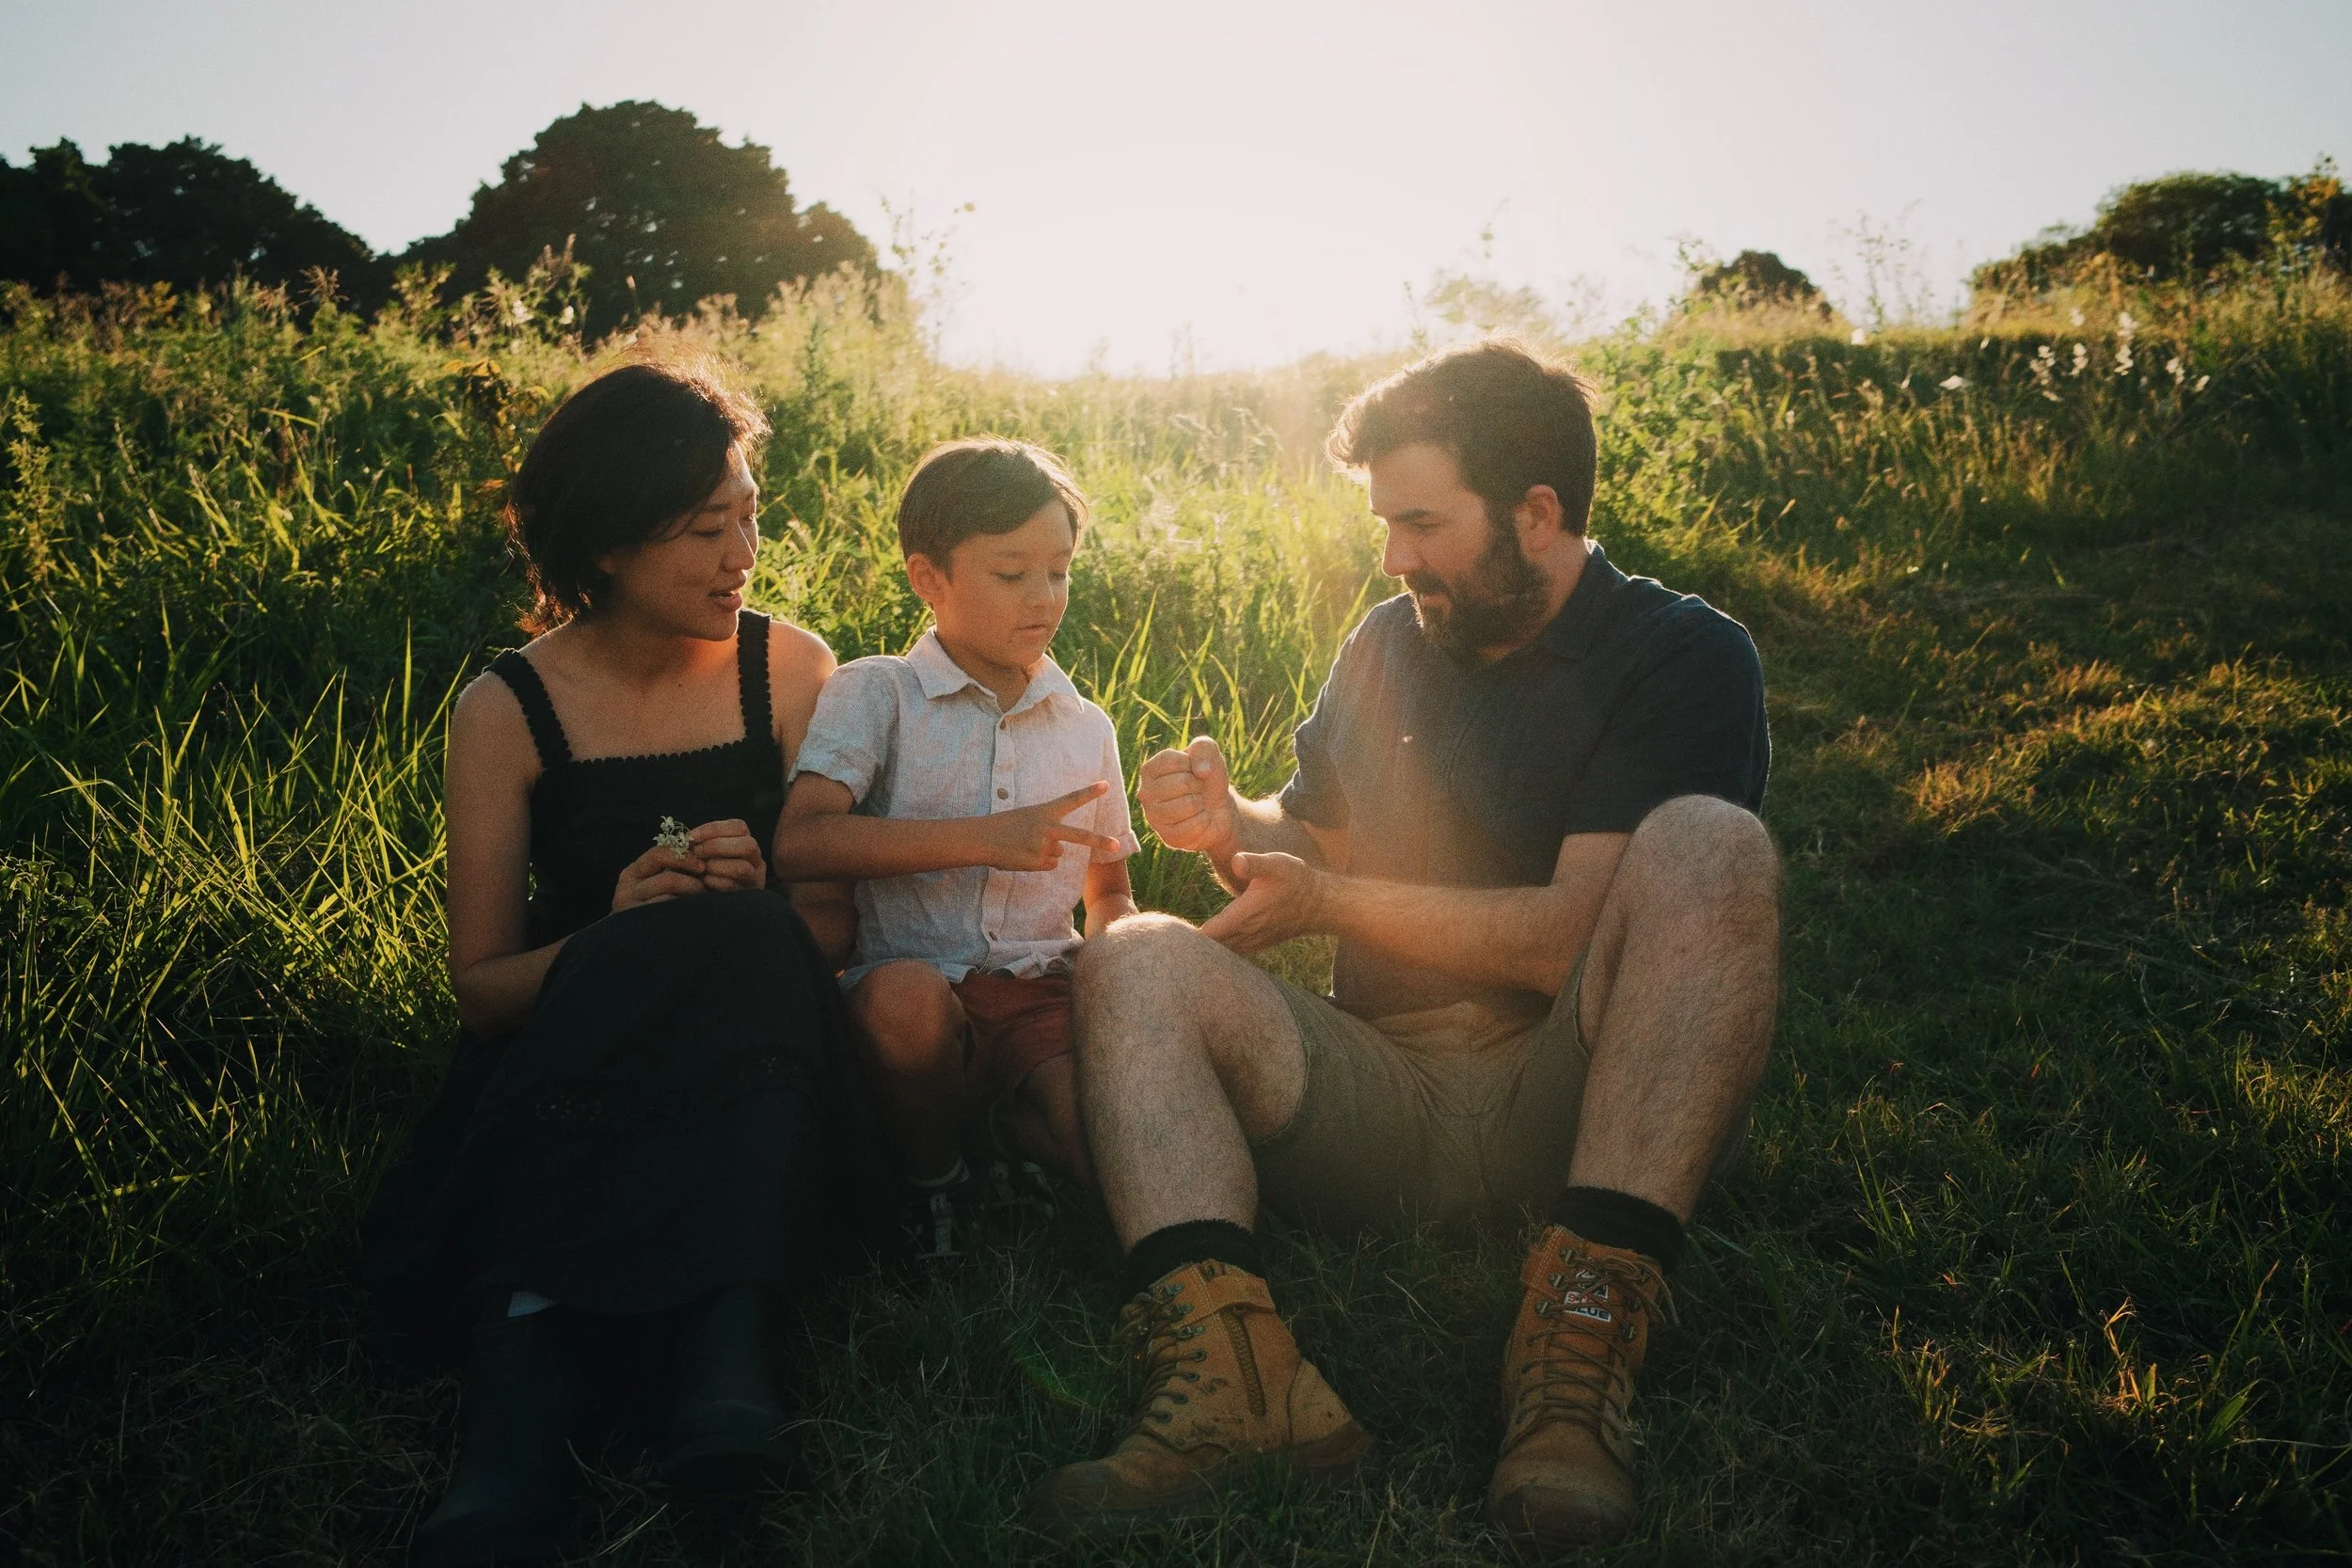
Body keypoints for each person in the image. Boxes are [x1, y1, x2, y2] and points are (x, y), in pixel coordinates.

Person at [1028, 341, 1781, 1555]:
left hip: (1577, 1093)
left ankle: (1580, 1341)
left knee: (1709, 847)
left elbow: (1560, 942)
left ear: (1536, 513)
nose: (1394, 558)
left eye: (1421, 523)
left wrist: (1328, 899)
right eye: (1385, 525)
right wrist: (1237, 827)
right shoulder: (1390, 639)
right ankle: (1238, 1378)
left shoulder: (1682, 652)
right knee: (1133, 955)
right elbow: (1314, 835)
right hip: (1382, 1086)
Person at [361, 360, 888, 1566]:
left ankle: (725, 1336)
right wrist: (613, 934)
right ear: (602, 545)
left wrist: (736, 908)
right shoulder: (506, 709)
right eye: (708, 528)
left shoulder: (791, 670)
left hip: (759, 1064)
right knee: (643, 943)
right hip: (579, 1062)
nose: (741, 551)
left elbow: (833, 930)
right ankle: (521, 1390)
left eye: (750, 513)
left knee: (746, 926)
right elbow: (485, 991)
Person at [771, 438, 1139, 1265]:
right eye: (1011, 574)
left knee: (1103, 1152)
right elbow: (801, 839)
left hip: (1040, 989)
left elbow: (1108, 889)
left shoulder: (1085, 727)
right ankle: (938, 1181)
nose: (1044, 597)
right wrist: (983, 839)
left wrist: (1121, 954)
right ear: (928, 578)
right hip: (912, 981)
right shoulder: (879, 694)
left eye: (1060, 570)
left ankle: (1008, 1134)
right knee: (904, 1009)